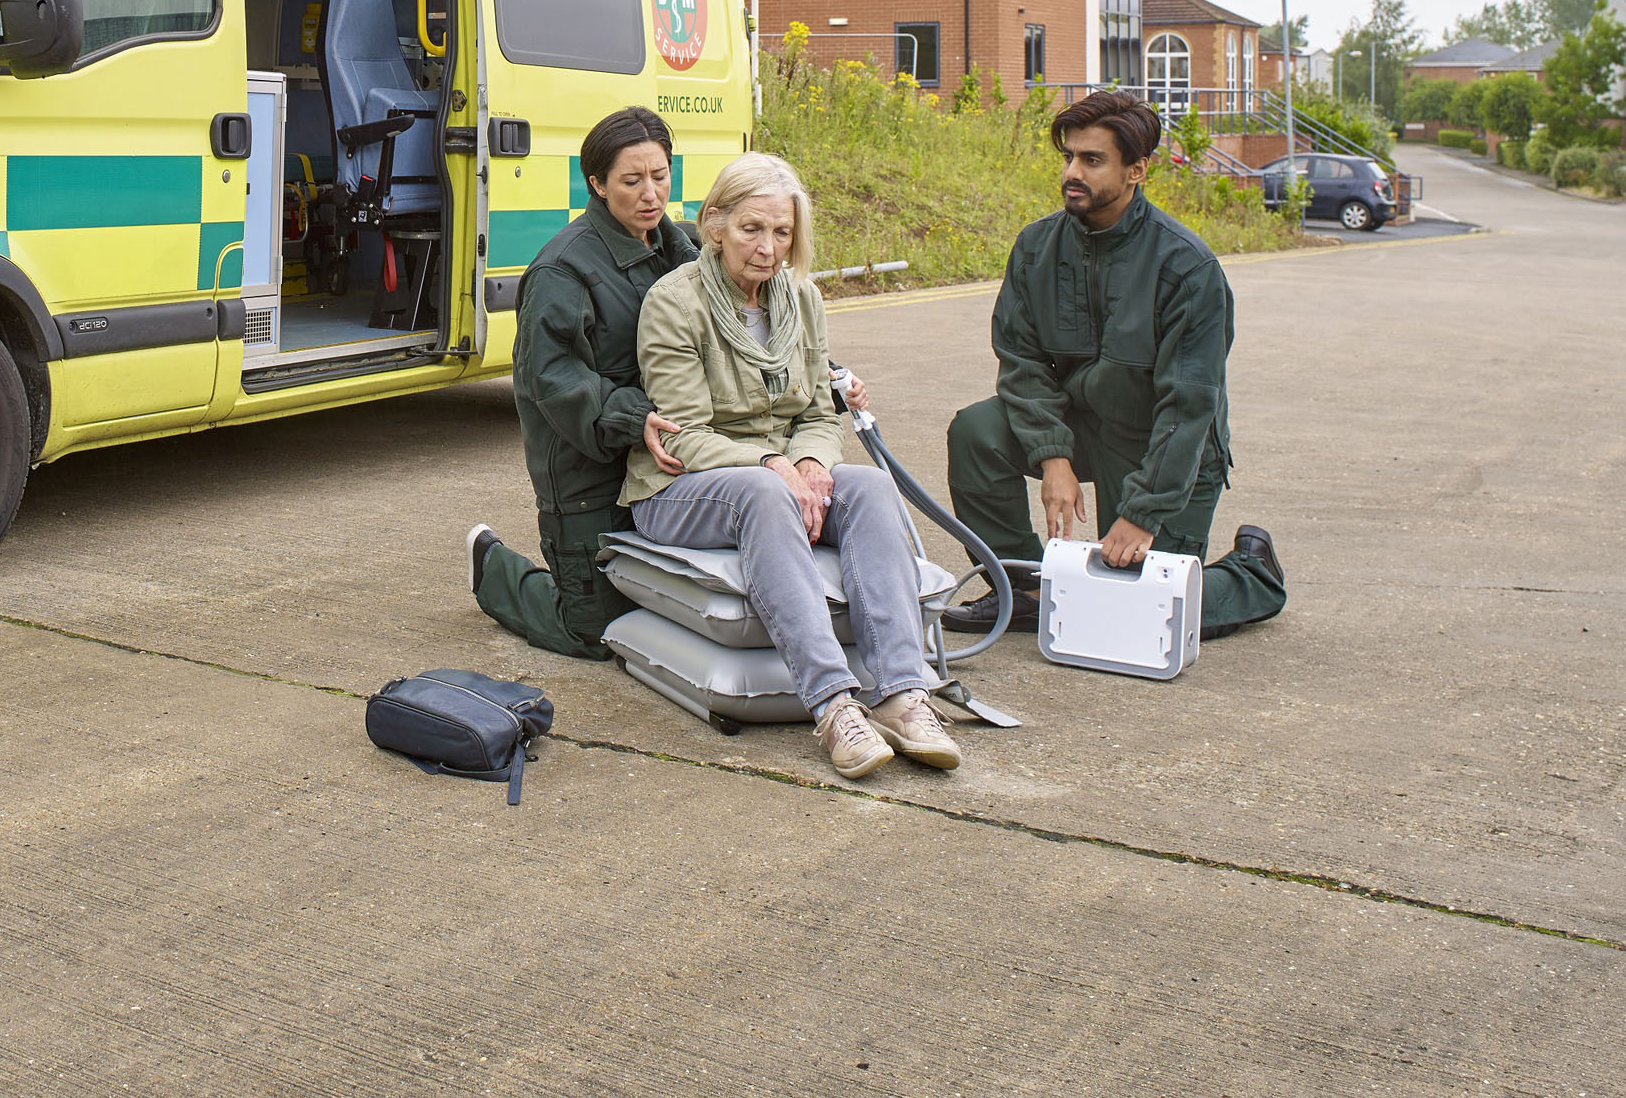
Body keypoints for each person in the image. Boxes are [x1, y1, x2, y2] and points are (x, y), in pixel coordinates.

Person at [627, 152, 959, 780]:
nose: (768, 248)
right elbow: (686, 435)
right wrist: (776, 464)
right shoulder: (673, 302)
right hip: (680, 485)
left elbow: (816, 408)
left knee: (866, 486)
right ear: (715, 223)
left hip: (775, 471)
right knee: (762, 493)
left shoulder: (802, 298)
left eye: (782, 233)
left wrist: (811, 462)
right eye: (753, 229)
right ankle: (833, 705)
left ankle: (899, 693)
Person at [941, 89, 1287, 640]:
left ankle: (1252, 574)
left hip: (1164, 448)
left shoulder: (1188, 268)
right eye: (1069, 157)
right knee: (978, 430)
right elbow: (1021, 363)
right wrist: (1052, 456)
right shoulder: (1036, 247)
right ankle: (1024, 588)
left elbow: (1190, 404)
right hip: (1082, 425)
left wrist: (1143, 513)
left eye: (1092, 160)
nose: (1072, 172)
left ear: (1137, 171)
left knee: (1134, 613)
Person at [469, 107, 699, 659]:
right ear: (596, 184)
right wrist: (633, 417)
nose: (651, 194)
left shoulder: (684, 251)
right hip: (586, 464)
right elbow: (553, 380)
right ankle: (493, 568)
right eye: (632, 180)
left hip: (670, 450)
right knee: (597, 633)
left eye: (660, 175)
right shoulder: (562, 271)